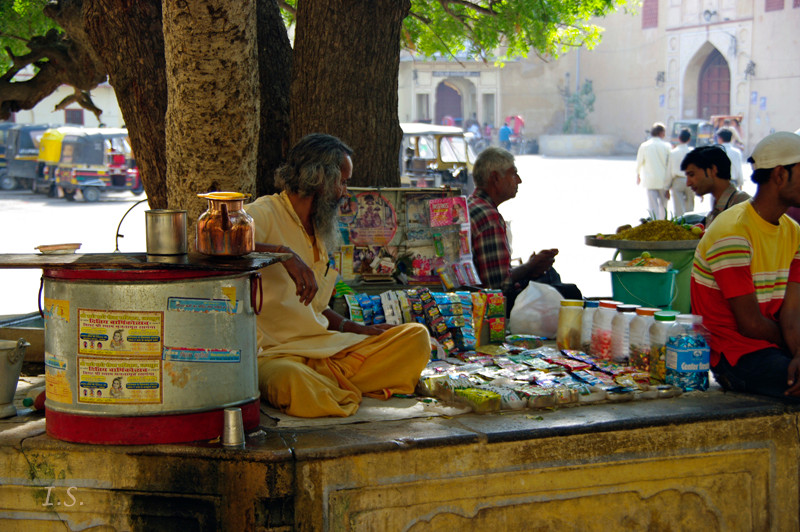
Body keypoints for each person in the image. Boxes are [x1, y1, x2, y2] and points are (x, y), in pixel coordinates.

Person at [244, 133, 431, 418]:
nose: (345, 192)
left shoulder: (318, 228)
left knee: (417, 337)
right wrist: (283, 254)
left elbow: (315, 308)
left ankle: (333, 382)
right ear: (318, 178)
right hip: (276, 355)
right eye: (341, 182)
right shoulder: (266, 211)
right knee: (294, 381)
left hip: (327, 350)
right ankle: (340, 384)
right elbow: (209, 242)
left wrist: (355, 328)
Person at [691, 131, 800, 401]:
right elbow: (750, 325)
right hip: (735, 355)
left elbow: (793, 311)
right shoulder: (732, 230)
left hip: (775, 345)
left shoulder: (795, 232)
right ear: (780, 174)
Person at [467, 147, 581, 313]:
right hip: (491, 306)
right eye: (513, 174)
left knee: (549, 274)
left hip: (482, 295)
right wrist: (528, 268)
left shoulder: (472, 204)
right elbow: (498, 287)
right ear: (495, 178)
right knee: (572, 293)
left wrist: (530, 268)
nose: (518, 180)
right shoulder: (489, 217)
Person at [681, 145, 750, 227]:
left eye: (692, 174)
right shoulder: (716, 209)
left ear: (713, 170)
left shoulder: (741, 205)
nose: (688, 183)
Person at [636, 122, 672, 220]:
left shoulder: (645, 146)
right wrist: (670, 182)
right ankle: (663, 225)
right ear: (661, 133)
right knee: (663, 207)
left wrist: (638, 175)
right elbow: (670, 165)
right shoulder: (666, 146)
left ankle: (654, 224)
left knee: (653, 207)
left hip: (650, 181)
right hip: (664, 181)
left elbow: (639, 162)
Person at [667, 128, 695, 217]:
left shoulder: (673, 152)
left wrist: (667, 187)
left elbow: (669, 170)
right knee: (690, 207)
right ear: (689, 139)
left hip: (677, 180)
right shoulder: (692, 152)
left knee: (678, 208)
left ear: (679, 138)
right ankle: (691, 226)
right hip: (691, 180)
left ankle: (680, 226)